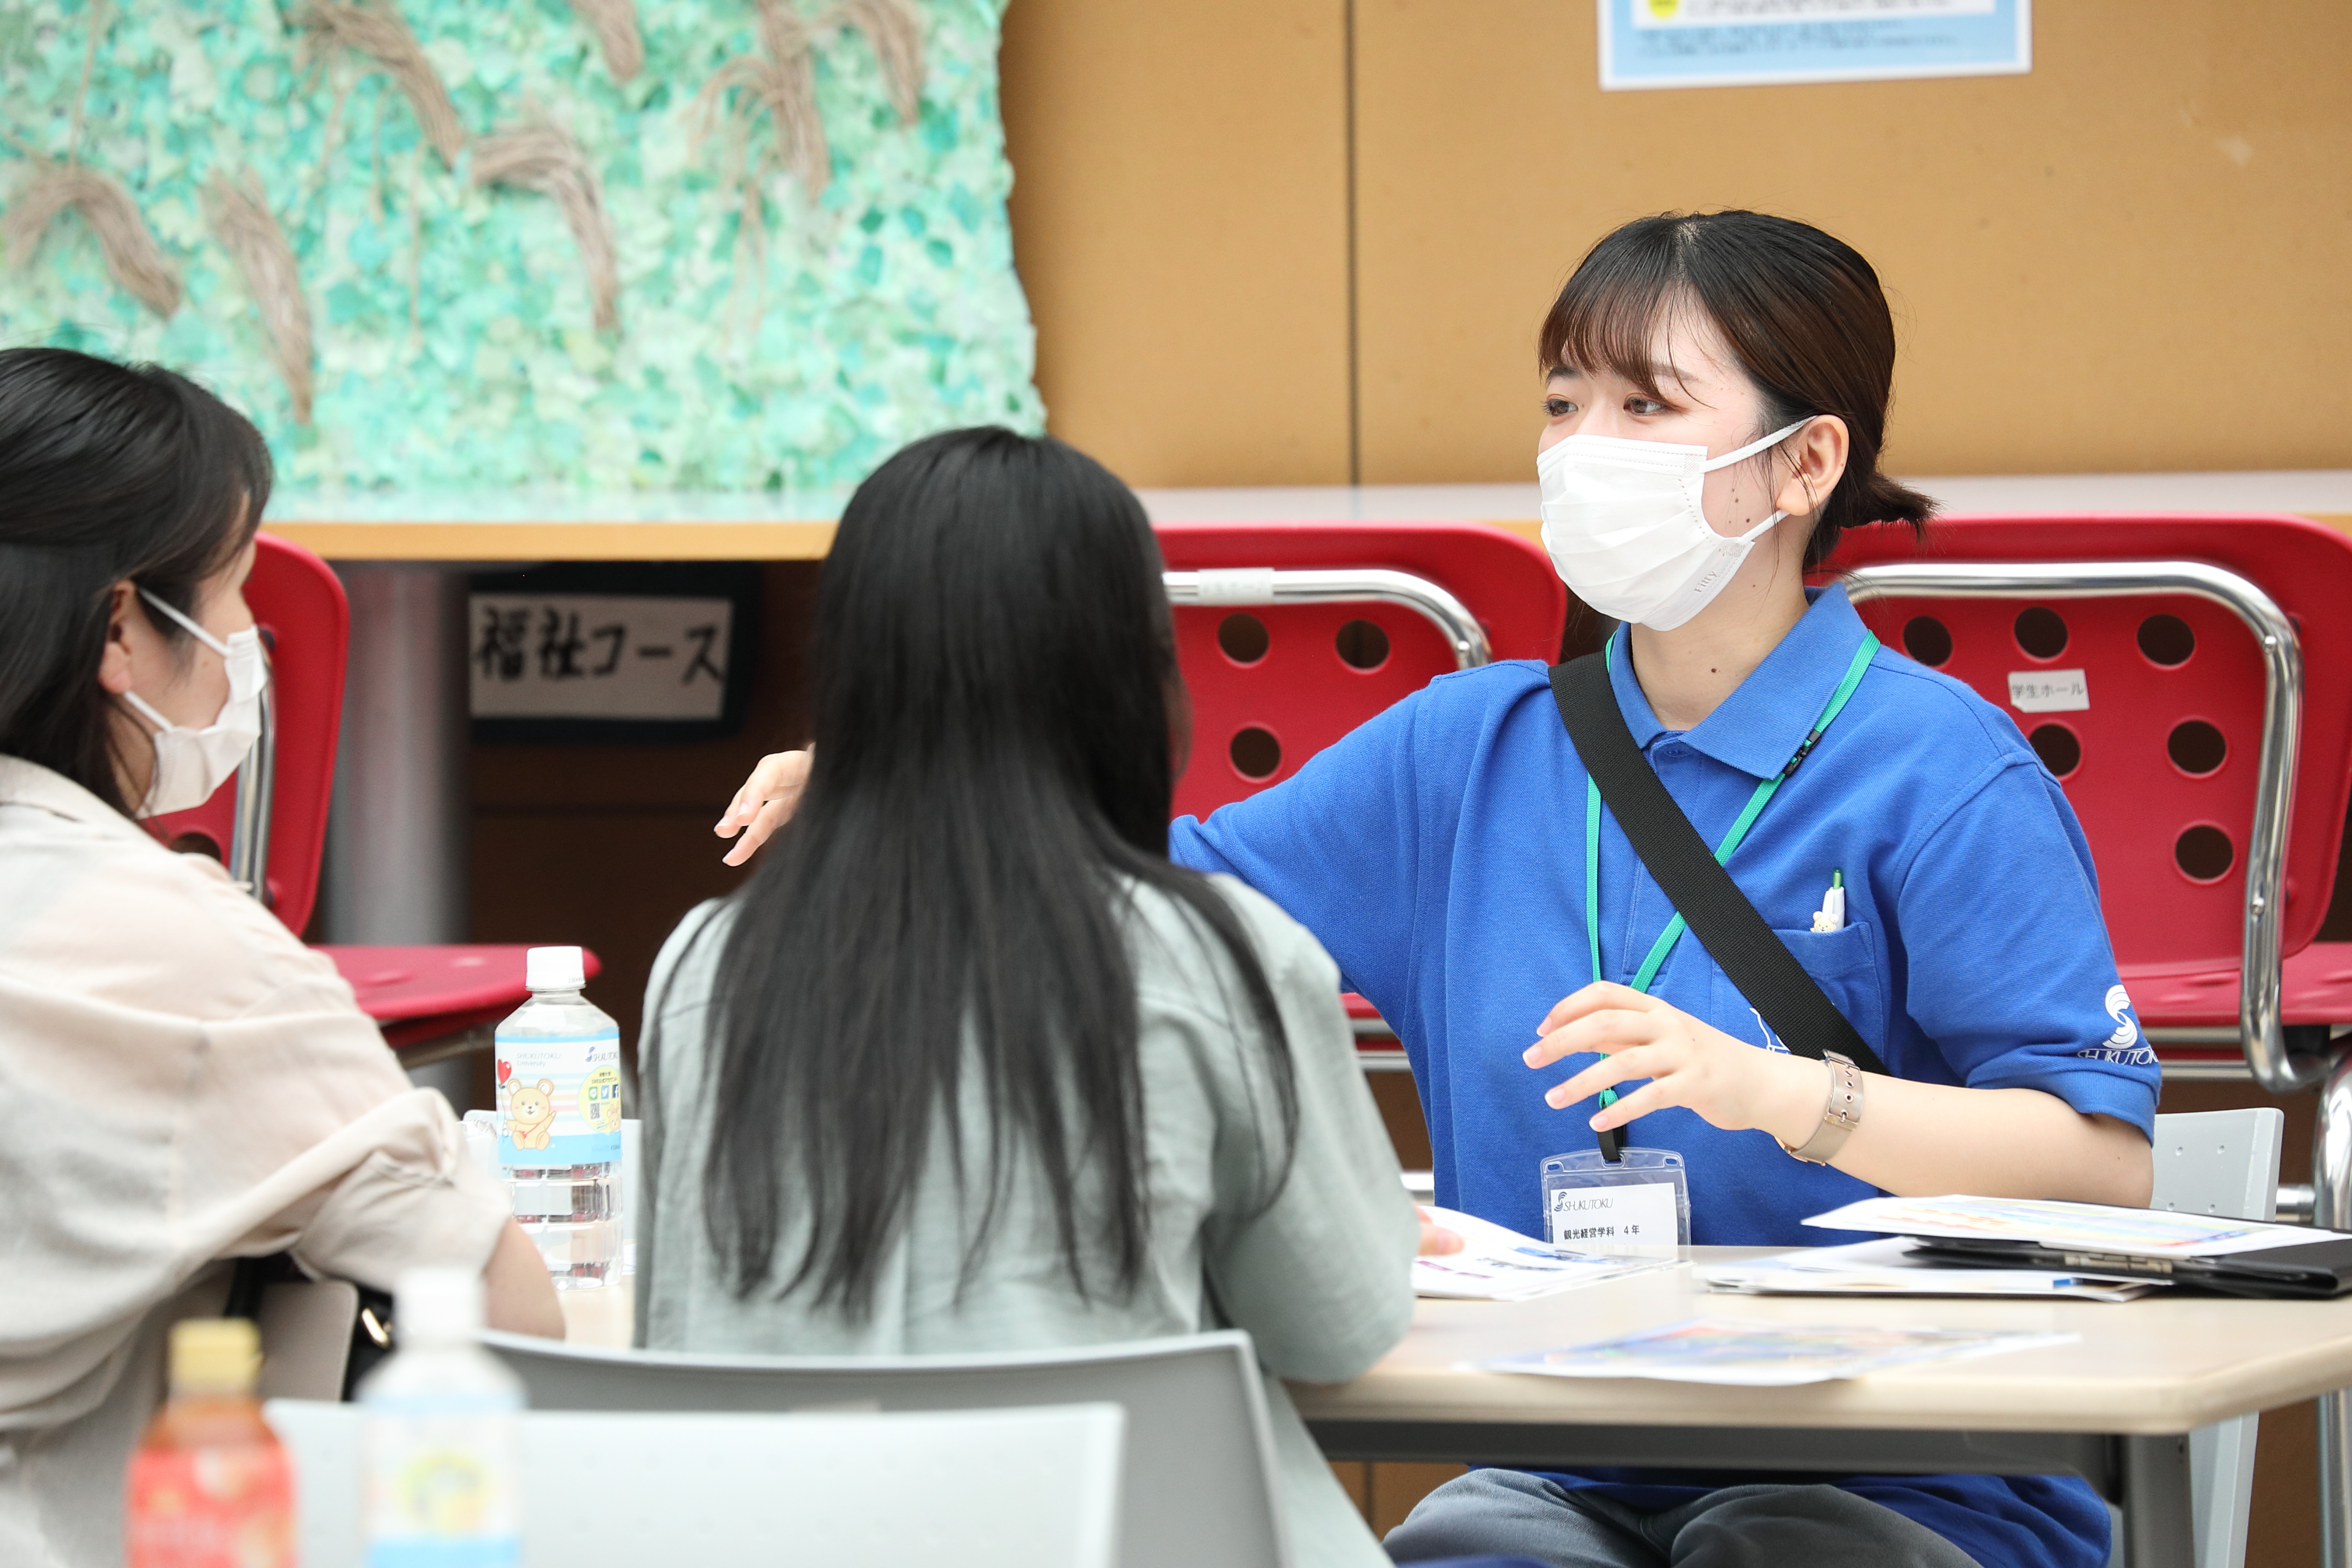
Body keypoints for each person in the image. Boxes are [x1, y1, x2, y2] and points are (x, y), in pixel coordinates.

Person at [713, 213, 2157, 1568]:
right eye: (1562, 404)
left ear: (1805, 463)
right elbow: (1125, 899)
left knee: (1770, 1547)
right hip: (1559, 1462)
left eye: (1645, 409)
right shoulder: (1461, 748)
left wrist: (1781, 1094)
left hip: (1906, 1475)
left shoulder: (1942, 769)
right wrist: (909, 781)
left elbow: (2104, 1167)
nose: (1585, 449)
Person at [638, 427, 1473, 1568]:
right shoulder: (1223, 957)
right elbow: (1337, 1329)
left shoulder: (703, 968)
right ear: (1133, 678)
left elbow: (679, 1335)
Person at [0, 349, 562, 1568]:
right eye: (234, 592)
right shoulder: (186, 954)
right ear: (118, 627)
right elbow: (506, 1317)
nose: (251, 641)